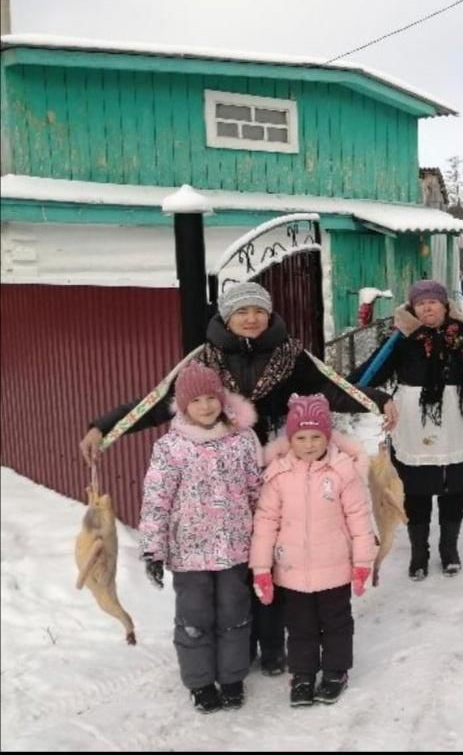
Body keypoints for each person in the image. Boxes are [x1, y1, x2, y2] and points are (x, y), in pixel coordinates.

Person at [79, 281, 397, 677]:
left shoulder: (290, 356)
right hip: (226, 476)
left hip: (277, 470)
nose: (251, 319)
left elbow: (331, 389)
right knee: (240, 566)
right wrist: (102, 428)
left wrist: (378, 399)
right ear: (227, 317)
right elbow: (158, 402)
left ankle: (273, 645)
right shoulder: (205, 359)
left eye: (258, 311)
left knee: (274, 556)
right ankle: (241, 644)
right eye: (242, 312)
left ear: (269, 315)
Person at [352, 280, 463, 582]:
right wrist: (345, 388)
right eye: (420, 303)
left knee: (453, 487)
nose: (427, 307)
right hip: (413, 424)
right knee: (416, 489)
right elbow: (371, 372)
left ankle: (449, 548)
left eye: (433, 302)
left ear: (444, 305)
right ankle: (419, 552)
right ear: (413, 308)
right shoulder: (401, 339)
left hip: (457, 422)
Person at [138, 362, 263, 714]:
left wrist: (266, 540)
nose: (206, 406)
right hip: (189, 554)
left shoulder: (241, 440)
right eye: (197, 400)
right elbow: (156, 500)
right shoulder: (170, 448)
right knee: (194, 618)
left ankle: (233, 677)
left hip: (235, 550)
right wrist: (153, 550)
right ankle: (200, 682)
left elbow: (257, 492)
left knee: (235, 614)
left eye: (212, 397)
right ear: (183, 405)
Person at [249, 393, 377, 707]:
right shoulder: (278, 475)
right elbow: (265, 524)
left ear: (328, 436)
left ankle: (335, 671)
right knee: (299, 627)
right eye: (301, 437)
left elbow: (360, 519)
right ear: (290, 439)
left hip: (334, 569)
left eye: (316, 436)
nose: (309, 444)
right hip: (291, 574)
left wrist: (362, 564)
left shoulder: (343, 472)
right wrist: (262, 570)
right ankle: (303, 674)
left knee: (336, 622)